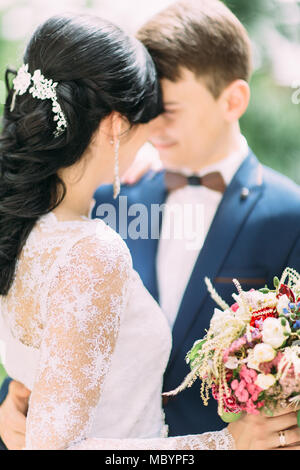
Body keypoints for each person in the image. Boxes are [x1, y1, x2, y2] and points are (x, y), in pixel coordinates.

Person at [1, 3, 300, 451]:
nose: (152, 125)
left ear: (233, 100)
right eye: (145, 107)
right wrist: (14, 402)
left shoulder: (288, 216)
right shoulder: (96, 199)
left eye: (169, 108)